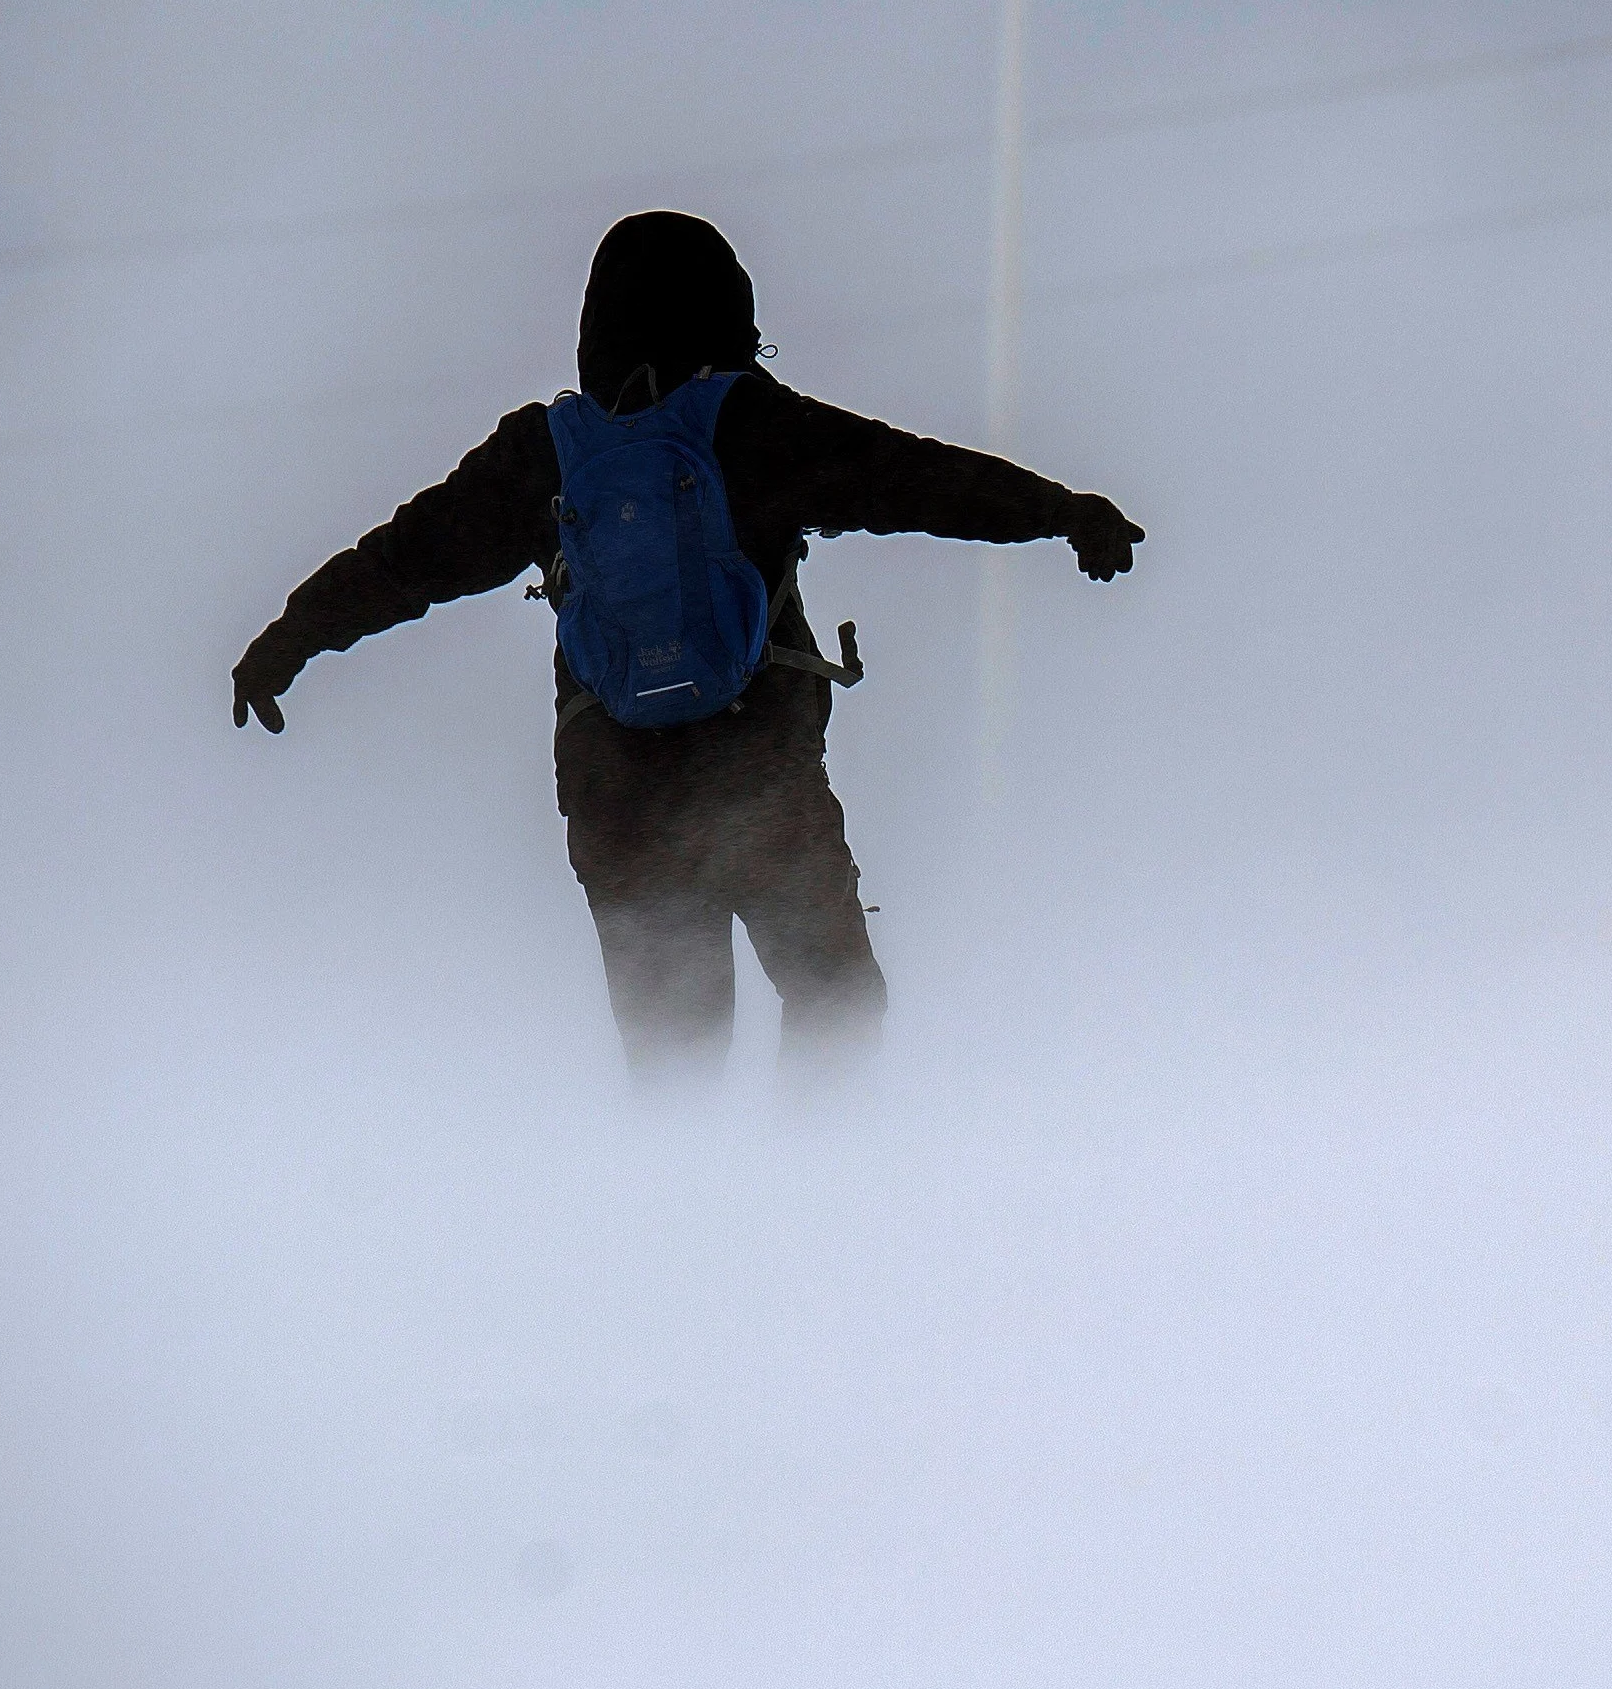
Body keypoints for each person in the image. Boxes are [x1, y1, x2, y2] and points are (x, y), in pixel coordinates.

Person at [231, 211, 1142, 1076]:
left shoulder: (545, 455)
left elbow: (401, 562)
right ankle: (821, 1208)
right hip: (757, 776)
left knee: (675, 1057)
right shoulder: (749, 424)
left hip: (615, 796)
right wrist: (1064, 514)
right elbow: (920, 480)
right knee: (837, 1004)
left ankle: (682, 1231)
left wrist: (287, 642)